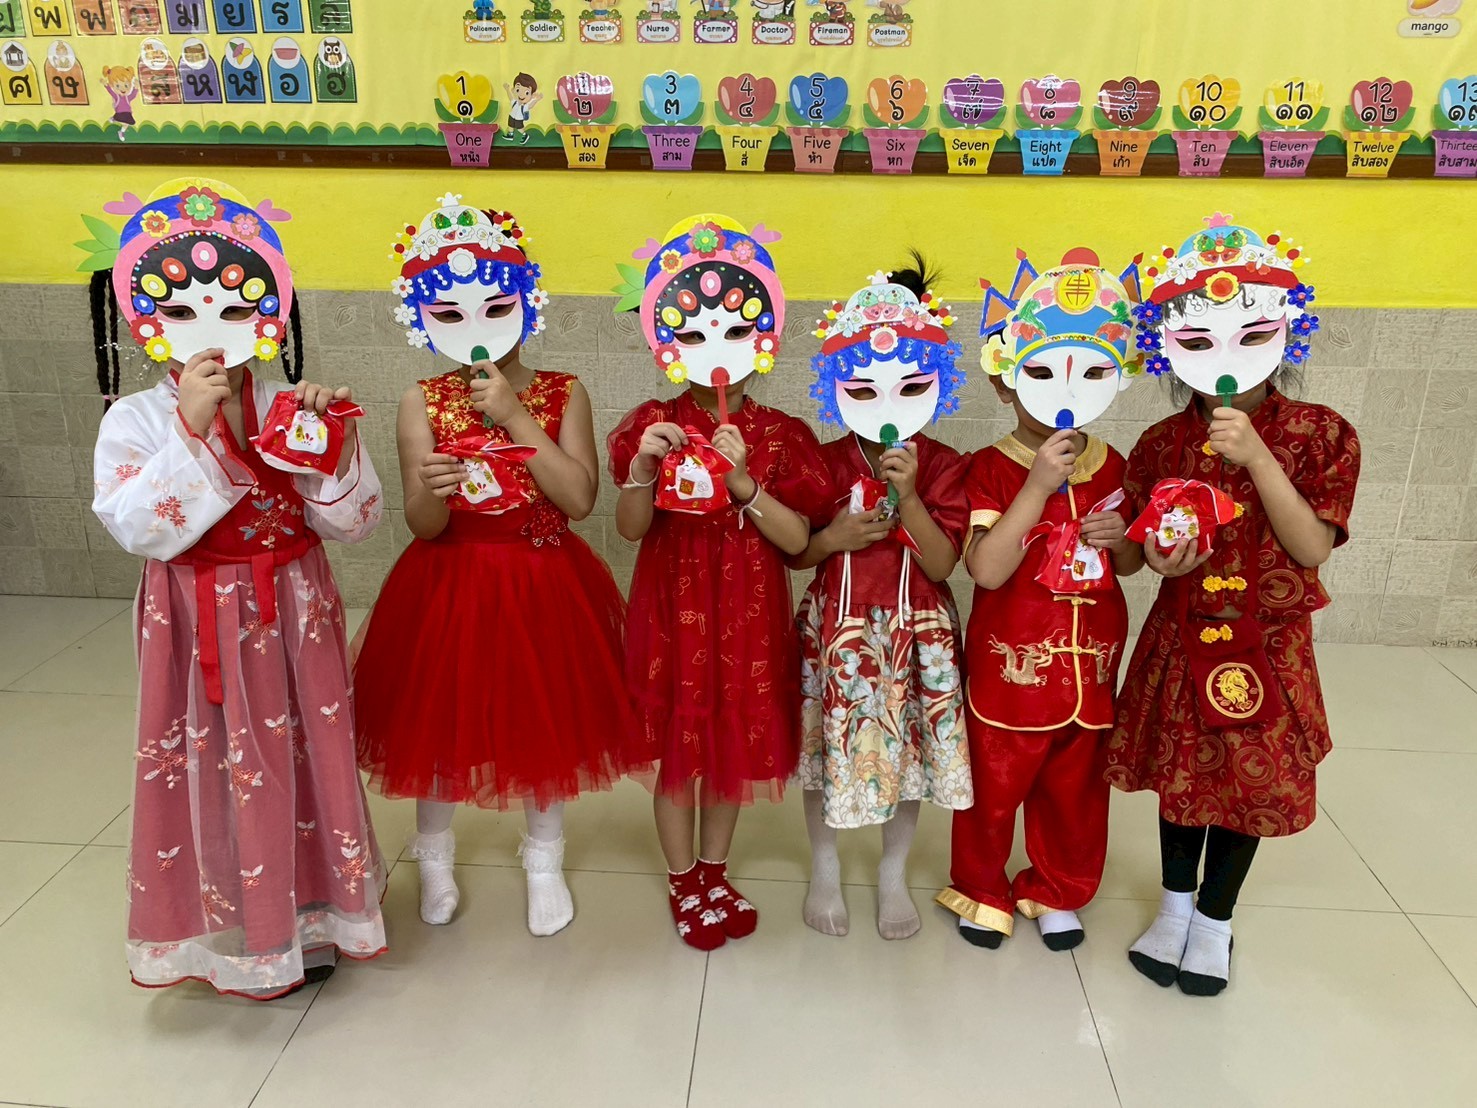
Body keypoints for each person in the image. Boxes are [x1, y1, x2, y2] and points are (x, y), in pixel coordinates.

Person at [85, 177, 387, 999]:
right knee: (215, 762)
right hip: (195, 617)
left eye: (230, 305)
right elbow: (138, 529)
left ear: (271, 310)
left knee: (307, 754)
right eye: (181, 310)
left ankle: (318, 917)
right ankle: (237, 936)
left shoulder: (290, 404)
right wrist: (189, 429)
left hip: (293, 605)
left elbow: (353, 521)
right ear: (145, 319)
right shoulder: (135, 419)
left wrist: (332, 446)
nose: (209, 328)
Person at [355, 196, 648, 936]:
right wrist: (431, 491)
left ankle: (544, 857)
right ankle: (433, 855)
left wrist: (517, 416)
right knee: (437, 722)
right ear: (425, 317)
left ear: (524, 302)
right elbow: (422, 525)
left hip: (543, 577)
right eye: (450, 312)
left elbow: (579, 499)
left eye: (492, 305)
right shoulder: (421, 400)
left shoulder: (563, 391)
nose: (475, 325)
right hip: (448, 581)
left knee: (544, 720)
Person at [1106, 215, 1360, 996]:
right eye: (1198, 337)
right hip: (1182, 634)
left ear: (1284, 333)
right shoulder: (1158, 442)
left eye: (1247, 334)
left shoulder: (1320, 434)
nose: (1222, 355)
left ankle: (1214, 921)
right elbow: (1141, 552)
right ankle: (1174, 908)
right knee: (1181, 773)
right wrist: (1154, 555)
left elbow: (1310, 547)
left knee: (1247, 783)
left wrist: (1256, 456)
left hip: (1268, 642)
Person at [608, 213, 830, 950]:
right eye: (697, 332)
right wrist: (643, 468)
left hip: (747, 611)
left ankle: (713, 870)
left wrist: (742, 482)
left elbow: (797, 542)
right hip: (673, 610)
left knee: (730, 748)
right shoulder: (650, 424)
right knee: (680, 749)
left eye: (735, 330)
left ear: (763, 337)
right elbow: (630, 529)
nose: (717, 349)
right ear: (667, 341)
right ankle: (682, 880)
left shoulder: (783, 435)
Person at [937, 248, 1145, 953]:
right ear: (1007, 381)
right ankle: (980, 888)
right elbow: (986, 570)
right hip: (1012, 666)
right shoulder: (990, 468)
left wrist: (1120, 539)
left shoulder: (1113, 465)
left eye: (1089, 374)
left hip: (1092, 662)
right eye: (1044, 371)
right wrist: (1035, 487)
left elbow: (1129, 563)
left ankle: (1058, 887)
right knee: (995, 785)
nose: (1066, 391)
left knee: (1075, 788)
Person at [793, 257, 972, 940]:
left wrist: (912, 496)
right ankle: (824, 867)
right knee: (826, 755)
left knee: (909, 758)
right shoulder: (822, 460)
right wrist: (833, 536)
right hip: (835, 631)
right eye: (865, 385)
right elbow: (796, 553)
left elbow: (944, 562)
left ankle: (893, 872)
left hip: (917, 635)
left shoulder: (945, 463)